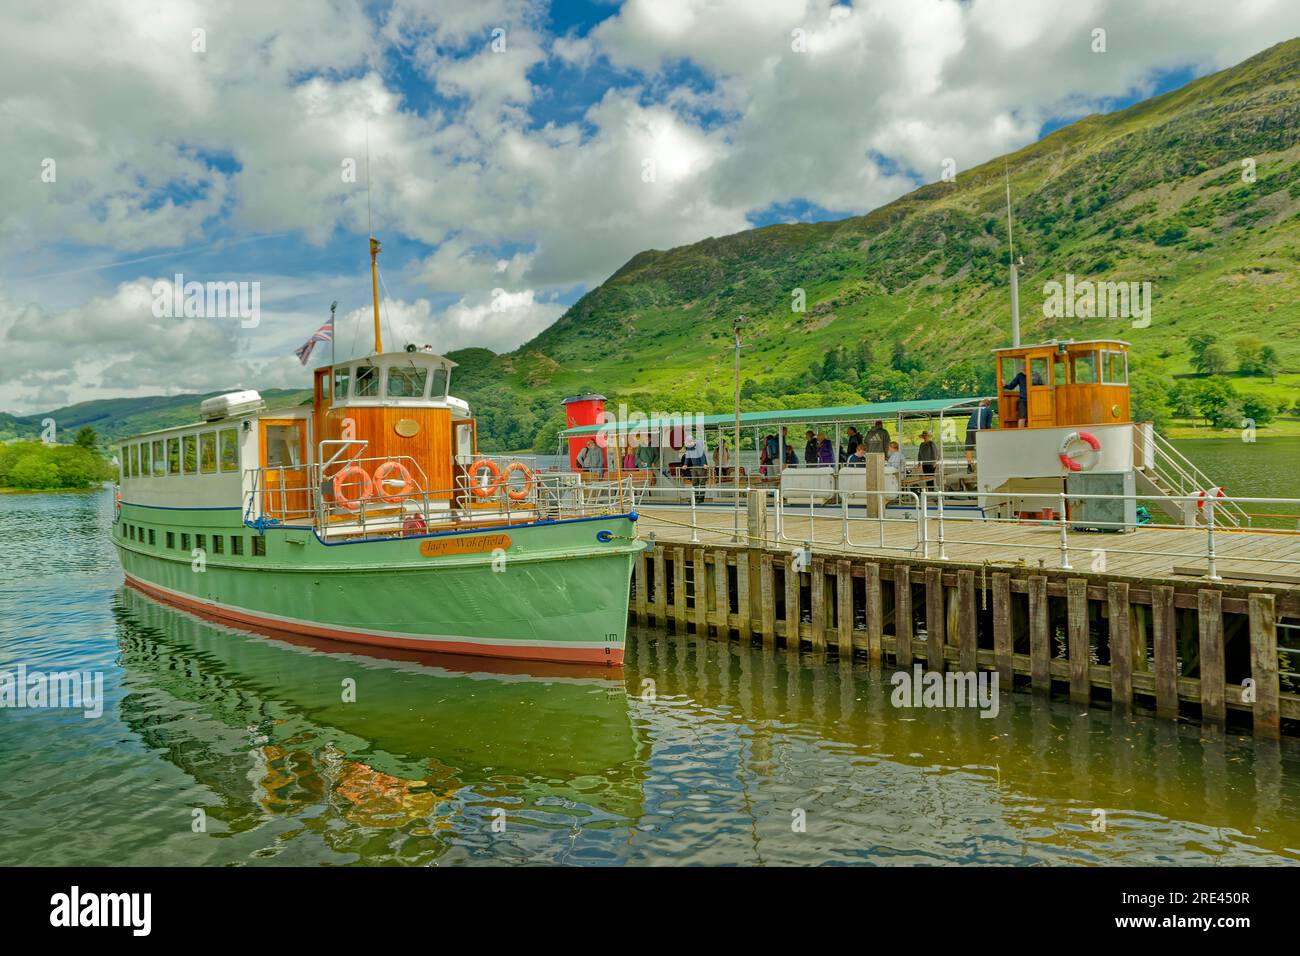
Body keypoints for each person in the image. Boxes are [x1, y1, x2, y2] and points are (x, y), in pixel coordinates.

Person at [966, 398, 993, 471]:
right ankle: (983, 465)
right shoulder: (988, 411)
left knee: (969, 447)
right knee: (982, 447)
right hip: (979, 429)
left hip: (969, 428)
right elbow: (988, 425)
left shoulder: (975, 410)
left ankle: (969, 466)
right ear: (988, 405)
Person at [680, 437, 709, 503]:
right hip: (694, 466)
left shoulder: (698, 447)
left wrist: (704, 464)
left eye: (689, 442)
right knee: (694, 483)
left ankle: (701, 498)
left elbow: (702, 456)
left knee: (701, 483)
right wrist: (685, 465)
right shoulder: (689, 449)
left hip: (701, 467)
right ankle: (695, 497)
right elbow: (687, 457)